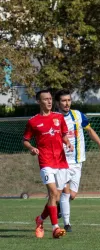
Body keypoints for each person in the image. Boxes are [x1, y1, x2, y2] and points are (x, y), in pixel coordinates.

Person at [54, 89, 100, 232]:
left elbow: (89, 131)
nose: (67, 103)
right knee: (66, 193)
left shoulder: (78, 115)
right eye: (63, 101)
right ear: (58, 103)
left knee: (72, 195)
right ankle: (67, 224)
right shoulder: (54, 119)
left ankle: (59, 205)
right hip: (62, 161)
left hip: (77, 161)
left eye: (68, 100)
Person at [23, 89, 74, 239]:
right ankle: (55, 228)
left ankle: (40, 220)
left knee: (56, 197)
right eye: (45, 99)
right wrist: (32, 148)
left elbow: (63, 135)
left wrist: (68, 143)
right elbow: (25, 139)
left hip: (61, 161)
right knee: (52, 193)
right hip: (45, 162)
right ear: (39, 101)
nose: (50, 101)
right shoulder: (33, 121)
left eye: (51, 99)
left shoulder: (59, 117)